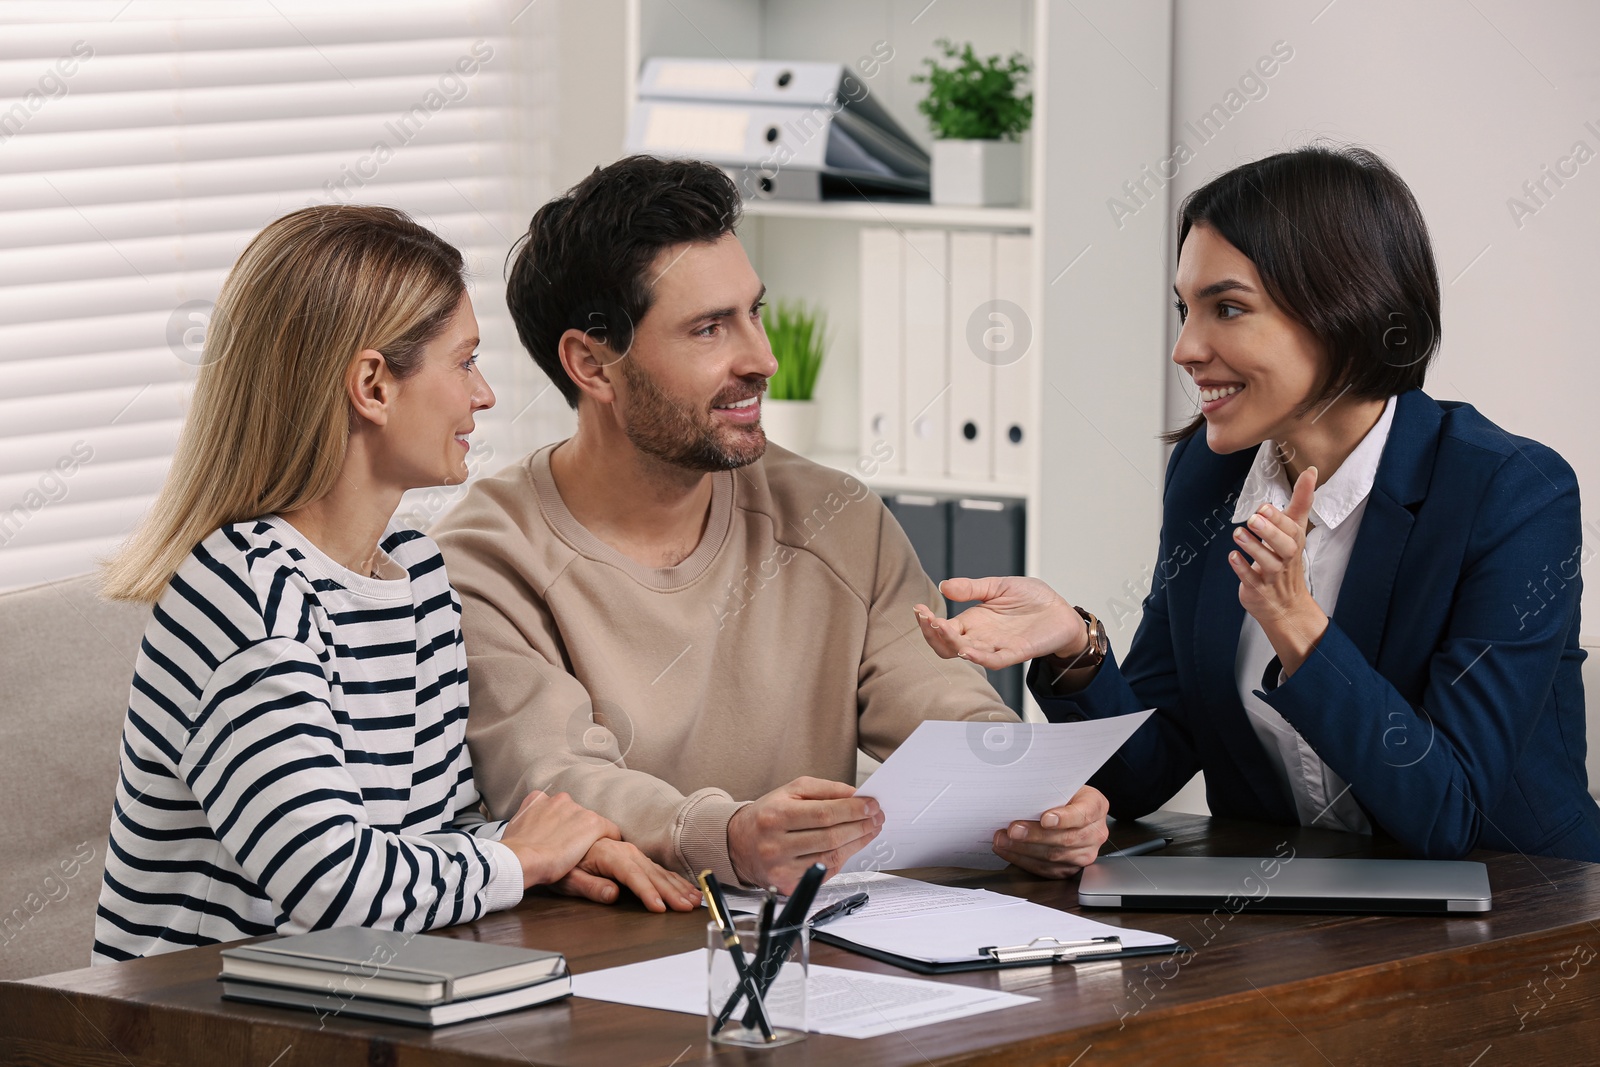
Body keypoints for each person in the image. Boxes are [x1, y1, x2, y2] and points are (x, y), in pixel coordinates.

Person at [431, 155, 1109, 892]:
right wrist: (729, 835)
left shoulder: (834, 516)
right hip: (603, 959)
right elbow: (552, 776)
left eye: (753, 311)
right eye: (708, 329)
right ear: (592, 365)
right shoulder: (485, 557)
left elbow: (939, 702)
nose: (764, 357)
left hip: (817, 954)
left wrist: (1030, 795)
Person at [917, 145, 1600, 863]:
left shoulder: (1513, 493)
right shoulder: (1209, 477)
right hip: (1296, 912)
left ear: (1345, 307)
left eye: (1229, 308)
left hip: (1523, 914)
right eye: (1186, 309)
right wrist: (1074, 645)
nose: (1185, 347)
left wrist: (1298, 626)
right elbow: (1147, 766)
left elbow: (1449, 811)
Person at [93, 206, 697, 963]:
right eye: (464, 361)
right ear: (373, 386)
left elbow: (426, 838)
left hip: (352, 999)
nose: (484, 397)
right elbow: (333, 882)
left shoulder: (417, 576)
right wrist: (515, 861)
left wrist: (549, 848)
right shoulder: (243, 592)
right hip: (199, 1026)